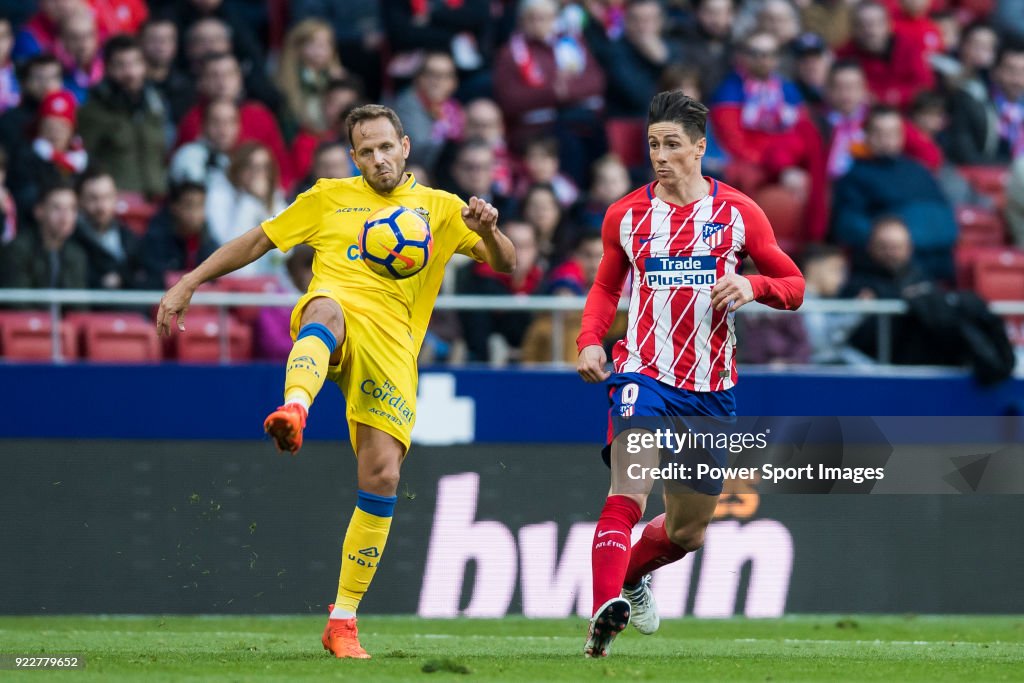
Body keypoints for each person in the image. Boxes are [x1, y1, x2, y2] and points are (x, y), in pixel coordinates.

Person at [155, 104, 515, 659]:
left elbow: (507, 264)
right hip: (338, 312)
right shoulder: (327, 197)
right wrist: (191, 280)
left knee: (382, 477)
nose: (377, 159)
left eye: (385, 147)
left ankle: (341, 621)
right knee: (321, 310)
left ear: (405, 147)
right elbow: (257, 242)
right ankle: (295, 408)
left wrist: (489, 232)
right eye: (365, 151)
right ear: (354, 157)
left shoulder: (443, 210)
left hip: (393, 348)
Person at [575, 91, 804, 658]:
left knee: (686, 533)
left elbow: (794, 286)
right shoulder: (626, 214)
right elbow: (607, 287)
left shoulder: (739, 213)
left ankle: (631, 581)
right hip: (642, 373)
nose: (660, 155)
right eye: (653, 144)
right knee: (627, 491)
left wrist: (754, 285)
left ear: (700, 148)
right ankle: (603, 614)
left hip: (711, 390)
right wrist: (588, 341)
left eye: (672, 145)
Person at [77, 35, 170, 199]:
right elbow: (84, 160)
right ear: (107, 68)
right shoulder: (93, 111)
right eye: (121, 65)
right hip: (115, 202)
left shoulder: (156, 105)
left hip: (158, 200)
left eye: (136, 63)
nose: (130, 72)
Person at [0, 180, 87, 289]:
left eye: (72, 208)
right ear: (39, 211)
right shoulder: (18, 251)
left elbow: (78, 302)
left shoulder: (76, 254)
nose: (65, 217)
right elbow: (17, 302)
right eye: (57, 208)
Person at [73, 168, 144, 290]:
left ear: (115, 198)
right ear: (80, 201)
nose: (101, 206)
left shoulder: (129, 237)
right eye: (93, 198)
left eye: (107, 197)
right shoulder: (72, 240)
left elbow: (148, 276)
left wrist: (121, 278)